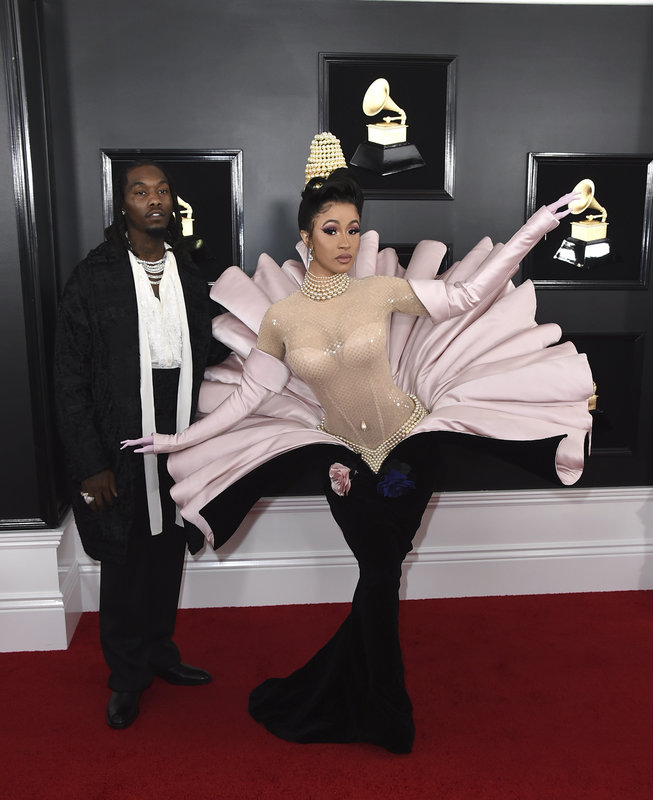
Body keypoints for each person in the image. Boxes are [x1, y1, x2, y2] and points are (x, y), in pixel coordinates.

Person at [123, 135, 593, 752]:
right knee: (379, 574)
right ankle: (365, 699)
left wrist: (536, 226)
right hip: (345, 463)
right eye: (331, 230)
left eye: (352, 229)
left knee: (380, 576)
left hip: (412, 449)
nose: (345, 242)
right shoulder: (282, 320)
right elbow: (247, 398)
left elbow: (466, 295)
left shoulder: (378, 292)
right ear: (306, 238)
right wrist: (179, 439)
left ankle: (383, 711)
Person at [55, 161, 216, 730]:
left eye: (163, 190)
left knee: (167, 549)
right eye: (140, 190)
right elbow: (70, 377)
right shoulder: (92, 277)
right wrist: (90, 464)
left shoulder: (190, 275)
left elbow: (213, 356)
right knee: (125, 559)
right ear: (122, 204)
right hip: (116, 436)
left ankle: (159, 654)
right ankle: (126, 677)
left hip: (179, 428)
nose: (154, 199)